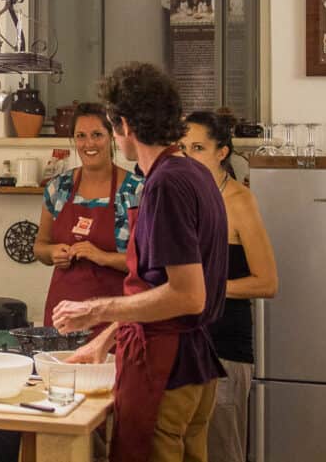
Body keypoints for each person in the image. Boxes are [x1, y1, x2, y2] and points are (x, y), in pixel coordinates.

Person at [52, 62, 228, 462]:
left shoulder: (166, 184)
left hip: (164, 371)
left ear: (124, 127)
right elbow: (153, 288)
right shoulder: (194, 174)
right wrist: (104, 340)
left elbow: (186, 296)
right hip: (193, 370)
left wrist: (95, 308)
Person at [181, 111, 278, 462]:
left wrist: (208, 289)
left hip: (224, 349)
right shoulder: (180, 197)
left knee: (221, 452)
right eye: (182, 148)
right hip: (180, 347)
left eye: (198, 148)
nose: (187, 156)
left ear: (222, 152)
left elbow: (267, 282)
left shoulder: (240, 201)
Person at [34, 102, 143, 334]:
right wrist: (52, 253)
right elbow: (39, 247)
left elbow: (148, 265)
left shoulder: (135, 191)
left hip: (114, 320)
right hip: (62, 316)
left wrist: (102, 257)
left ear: (112, 137)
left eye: (97, 135)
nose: (89, 144)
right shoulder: (58, 188)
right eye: (81, 136)